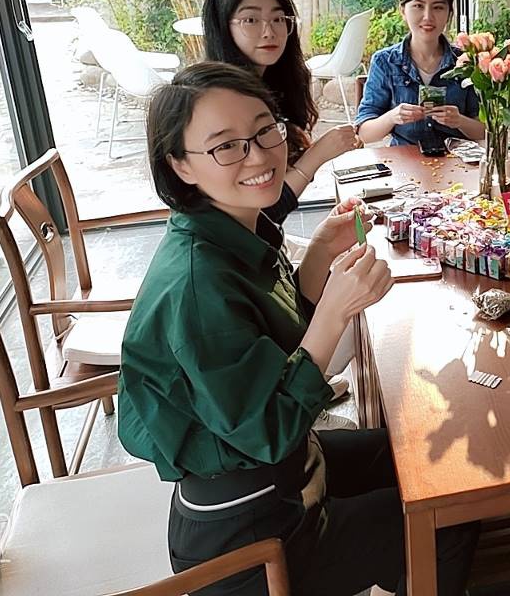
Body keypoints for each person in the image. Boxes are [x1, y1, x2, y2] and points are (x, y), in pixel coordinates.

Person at [117, 62, 478, 596]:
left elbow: (269, 353)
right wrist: (333, 311)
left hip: (285, 474)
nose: (259, 155)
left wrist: (317, 264)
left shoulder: (227, 231)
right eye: (226, 146)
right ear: (180, 165)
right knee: (446, 519)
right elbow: (269, 429)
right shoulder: (197, 285)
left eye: (265, 129)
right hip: (253, 540)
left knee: (422, 457)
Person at [203, 0, 360, 223]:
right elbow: (263, 213)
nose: (269, 32)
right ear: (223, 26)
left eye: (278, 19)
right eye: (251, 20)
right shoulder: (221, 101)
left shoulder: (274, 84)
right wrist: (318, 155)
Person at [355, 0, 483, 146]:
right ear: (403, 11)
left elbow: (484, 130)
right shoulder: (385, 62)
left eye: (438, 7)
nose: (428, 17)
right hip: (403, 160)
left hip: (457, 159)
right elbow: (364, 134)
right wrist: (392, 117)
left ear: (449, 14)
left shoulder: (466, 62)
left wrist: (459, 121)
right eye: (418, 6)